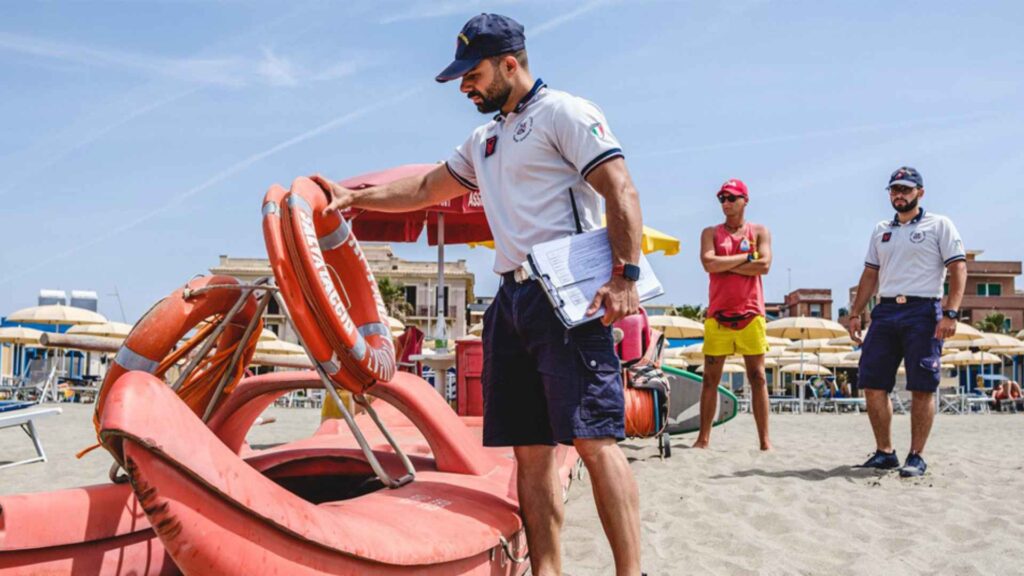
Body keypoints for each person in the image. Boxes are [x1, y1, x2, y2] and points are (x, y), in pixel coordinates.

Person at [310, 14, 643, 576]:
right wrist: (355, 197)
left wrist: (626, 277)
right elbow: (423, 188)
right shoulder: (483, 139)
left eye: (474, 74)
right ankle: (548, 570)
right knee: (529, 452)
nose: (465, 86)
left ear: (510, 63)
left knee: (593, 440)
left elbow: (620, 188)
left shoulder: (565, 112)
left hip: (568, 298)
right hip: (510, 303)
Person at [848, 166, 966, 478]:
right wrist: (856, 312)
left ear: (920, 192)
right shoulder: (881, 229)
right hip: (885, 311)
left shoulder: (939, 224)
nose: (899, 194)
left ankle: (916, 456)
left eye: (906, 189)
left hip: (923, 310)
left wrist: (951, 312)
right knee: (871, 382)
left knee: (922, 385)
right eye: (894, 189)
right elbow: (870, 274)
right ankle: (885, 452)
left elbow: (958, 269)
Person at [695, 179, 773, 451]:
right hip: (718, 315)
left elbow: (764, 265)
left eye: (731, 197)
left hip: (751, 314)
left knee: (758, 377)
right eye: (722, 198)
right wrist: (746, 260)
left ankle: (765, 442)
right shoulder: (710, 233)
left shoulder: (759, 231)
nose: (726, 203)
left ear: (745, 200)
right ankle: (703, 439)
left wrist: (725, 266)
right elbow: (708, 263)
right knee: (709, 379)